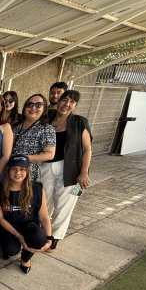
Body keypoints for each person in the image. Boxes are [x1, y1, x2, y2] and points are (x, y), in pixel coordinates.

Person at [41, 90, 92, 251]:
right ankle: (42, 233)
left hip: (70, 170)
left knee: (64, 206)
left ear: (75, 106)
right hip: (46, 166)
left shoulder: (80, 122)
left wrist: (84, 172)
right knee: (44, 203)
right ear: (58, 100)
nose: (67, 104)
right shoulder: (47, 118)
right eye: (64, 100)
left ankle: (54, 237)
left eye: (72, 102)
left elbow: (87, 149)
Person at [0, 155, 53, 273]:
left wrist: (49, 237)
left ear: (27, 171)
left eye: (22, 169)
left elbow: (44, 216)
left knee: (39, 238)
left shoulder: (37, 188)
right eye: (14, 169)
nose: (18, 173)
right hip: (8, 227)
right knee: (9, 250)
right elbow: (0, 219)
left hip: (29, 226)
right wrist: (18, 236)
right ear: (8, 171)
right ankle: (13, 246)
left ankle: (26, 258)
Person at [12, 94, 56, 183]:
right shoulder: (15, 126)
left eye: (38, 105)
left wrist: (23, 158)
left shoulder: (46, 128)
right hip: (9, 173)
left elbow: (49, 154)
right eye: (30, 104)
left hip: (28, 176)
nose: (33, 108)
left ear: (44, 109)